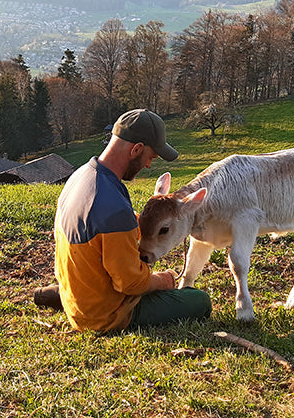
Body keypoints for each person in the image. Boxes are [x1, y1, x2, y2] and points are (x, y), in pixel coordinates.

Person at [33, 109, 212, 332]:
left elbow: (102, 230)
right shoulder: (113, 207)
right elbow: (130, 283)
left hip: (77, 294)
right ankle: (81, 305)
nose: (148, 165)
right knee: (199, 300)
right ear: (136, 149)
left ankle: (56, 295)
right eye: (150, 157)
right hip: (104, 315)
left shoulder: (81, 176)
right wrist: (162, 280)